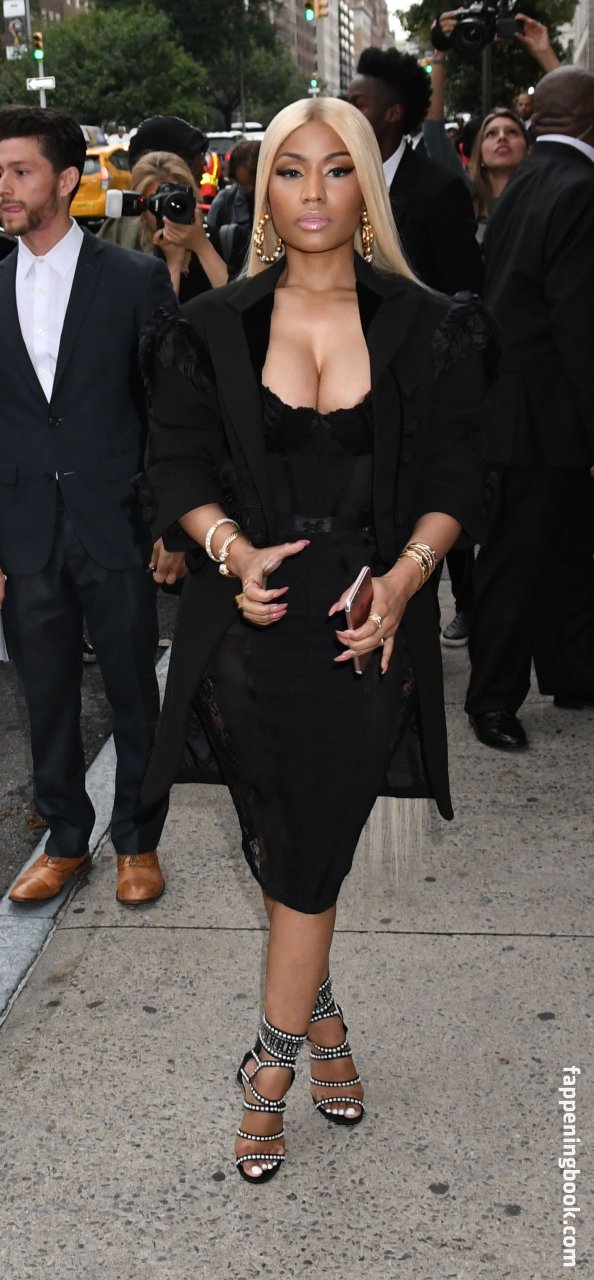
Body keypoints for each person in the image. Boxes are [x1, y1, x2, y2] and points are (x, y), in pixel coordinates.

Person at [140, 97, 492, 1182]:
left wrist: (407, 577)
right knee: (284, 838)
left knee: (309, 847)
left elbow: (457, 480)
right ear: (263, 190)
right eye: (289, 170)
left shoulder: (432, 324)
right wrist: (231, 549)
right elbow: (175, 470)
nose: (311, 192)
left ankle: (271, 1068)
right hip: (247, 634)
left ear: (366, 187)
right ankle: (325, 1023)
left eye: (337, 170)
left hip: (365, 631)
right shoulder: (211, 326)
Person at [0, 106, 185, 906]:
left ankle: (138, 842)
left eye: (20, 171)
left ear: (66, 180)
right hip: (24, 531)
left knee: (133, 690)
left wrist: (174, 523)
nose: (3, 187)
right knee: (43, 695)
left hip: (118, 522)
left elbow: (172, 410)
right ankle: (65, 839)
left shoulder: (134, 279)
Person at [465, 67, 594, 748]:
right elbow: (578, 319)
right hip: (545, 412)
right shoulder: (577, 186)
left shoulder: (528, 181)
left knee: (565, 550)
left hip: (521, 406)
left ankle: (574, 673)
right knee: (518, 561)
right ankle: (492, 700)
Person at [347, 46, 484, 295]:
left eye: (359, 105)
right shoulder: (335, 181)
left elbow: (464, 293)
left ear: (393, 113)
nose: (347, 113)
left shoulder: (440, 191)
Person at [129, 150, 227, 298]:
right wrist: (173, 264)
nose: (167, 210)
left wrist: (202, 247)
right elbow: (162, 312)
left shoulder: (223, 241)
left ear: (192, 198)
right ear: (142, 210)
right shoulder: (133, 257)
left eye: (175, 199)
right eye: (157, 201)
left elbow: (238, 303)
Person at [468, 109, 529, 243]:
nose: (502, 137)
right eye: (491, 134)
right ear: (480, 152)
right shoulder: (466, 199)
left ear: (527, 149)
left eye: (512, 132)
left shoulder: (544, 198)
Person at [207, 137, 260, 277]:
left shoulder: (284, 200)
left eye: (257, 183)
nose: (254, 190)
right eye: (245, 186)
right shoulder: (224, 203)